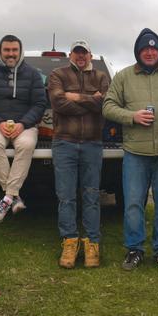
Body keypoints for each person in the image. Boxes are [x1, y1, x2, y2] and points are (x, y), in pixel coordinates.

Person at [103, 28, 158, 270]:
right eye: (145, 48)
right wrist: (132, 116)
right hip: (135, 152)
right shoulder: (123, 76)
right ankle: (134, 249)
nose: (150, 52)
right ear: (138, 52)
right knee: (133, 203)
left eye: (154, 48)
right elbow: (108, 106)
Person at [48, 40, 110, 268]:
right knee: (66, 196)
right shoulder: (57, 73)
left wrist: (74, 96)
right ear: (70, 54)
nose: (81, 56)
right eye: (77, 52)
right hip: (64, 142)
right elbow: (58, 102)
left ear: (90, 55)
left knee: (92, 194)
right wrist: (90, 100)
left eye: (84, 53)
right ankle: (69, 240)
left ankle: (92, 243)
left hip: (93, 143)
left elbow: (104, 104)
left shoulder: (102, 77)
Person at [0, 34, 48, 222]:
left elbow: (40, 104)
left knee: (26, 145)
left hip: (25, 126)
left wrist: (23, 124)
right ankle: (13, 196)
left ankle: (6, 198)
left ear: (20, 51)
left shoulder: (32, 74)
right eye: (7, 50)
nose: (11, 54)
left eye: (14, 50)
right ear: (0, 51)